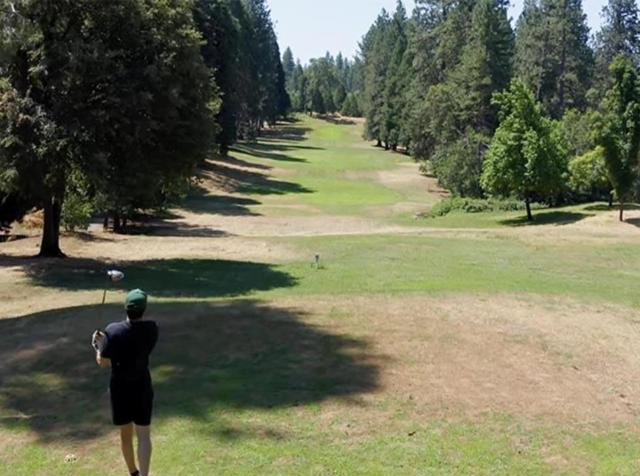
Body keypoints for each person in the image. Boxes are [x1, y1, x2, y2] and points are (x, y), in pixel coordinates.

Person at [93, 289, 158, 476]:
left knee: (126, 435)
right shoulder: (152, 328)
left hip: (120, 389)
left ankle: (133, 473)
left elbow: (103, 362)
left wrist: (99, 346)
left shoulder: (113, 330)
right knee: (144, 434)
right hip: (142, 386)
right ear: (144, 309)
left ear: (126, 307)